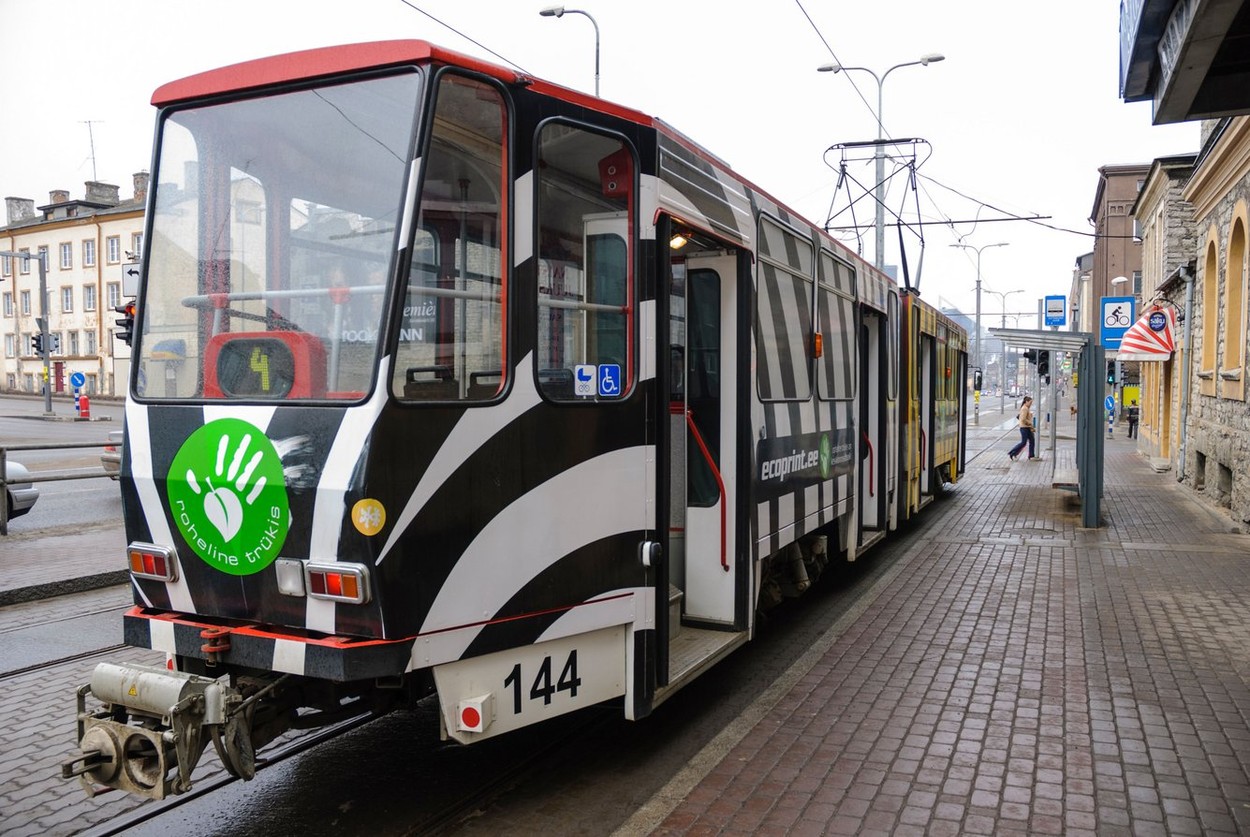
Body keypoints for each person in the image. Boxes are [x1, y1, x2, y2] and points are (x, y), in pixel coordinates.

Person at [1008, 396, 1037, 461]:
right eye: (1030, 402)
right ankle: (1012, 453)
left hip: (1026, 427)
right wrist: (1030, 423)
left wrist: (1030, 416)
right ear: (1026, 402)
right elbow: (1023, 419)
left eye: (1031, 403)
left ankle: (1031, 455)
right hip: (1024, 427)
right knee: (1024, 442)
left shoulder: (1026, 408)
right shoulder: (1024, 408)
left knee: (1032, 441)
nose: (1031, 404)